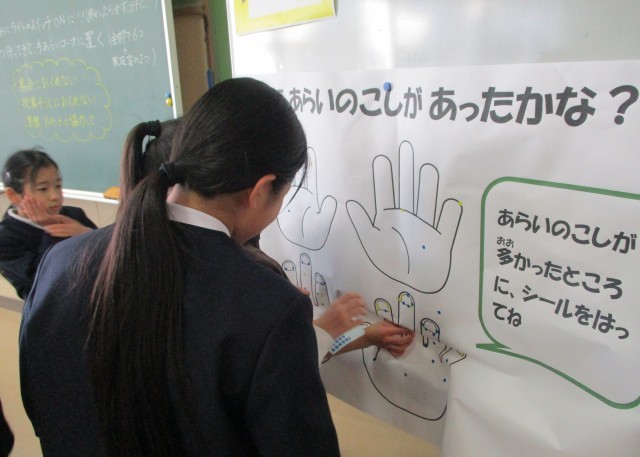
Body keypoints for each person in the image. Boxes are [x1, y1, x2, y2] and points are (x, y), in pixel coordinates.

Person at [19, 78, 340, 457]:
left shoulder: (59, 262)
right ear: (260, 190)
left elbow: (40, 407)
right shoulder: (270, 307)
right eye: (283, 195)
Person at [121, 118, 414, 364]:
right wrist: (309, 323)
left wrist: (363, 335)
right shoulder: (240, 278)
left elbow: (288, 348)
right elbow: (283, 361)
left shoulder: (131, 252)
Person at [0, 149, 97, 299]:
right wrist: (50, 229)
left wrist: (87, 233)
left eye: (58, 185)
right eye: (43, 189)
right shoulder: (5, 238)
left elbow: (110, 254)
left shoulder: (74, 214)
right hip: (57, 309)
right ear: (13, 195)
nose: (55, 196)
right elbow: (45, 279)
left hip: (95, 297)